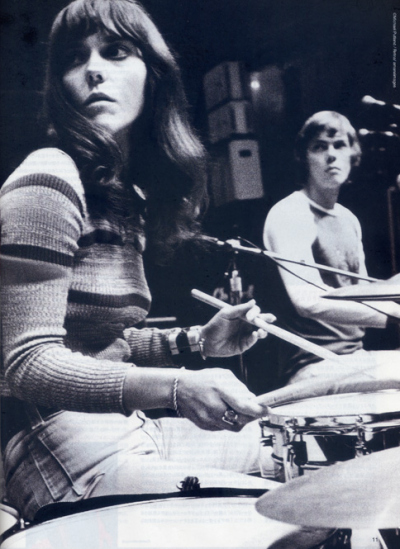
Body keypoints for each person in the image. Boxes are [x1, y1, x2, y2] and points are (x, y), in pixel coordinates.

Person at [0, 0, 275, 522]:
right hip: (52, 439)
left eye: (115, 51)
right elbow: (27, 363)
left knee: (293, 456)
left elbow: (104, 343)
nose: (93, 70)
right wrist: (177, 385)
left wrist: (198, 341)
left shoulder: (124, 197)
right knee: (275, 515)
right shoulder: (49, 175)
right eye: (74, 58)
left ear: (154, 74)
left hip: (125, 425)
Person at [263, 111, 400, 385]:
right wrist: (394, 314)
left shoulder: (348, 219)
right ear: (304, 157)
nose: (331, 155)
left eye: (339, 145)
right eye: (319, 147)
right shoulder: (291, 212)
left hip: (354, 359)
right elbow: (308, 302)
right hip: (312, 365)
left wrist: (393, 287)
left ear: (353, 155)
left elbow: (363, 294)